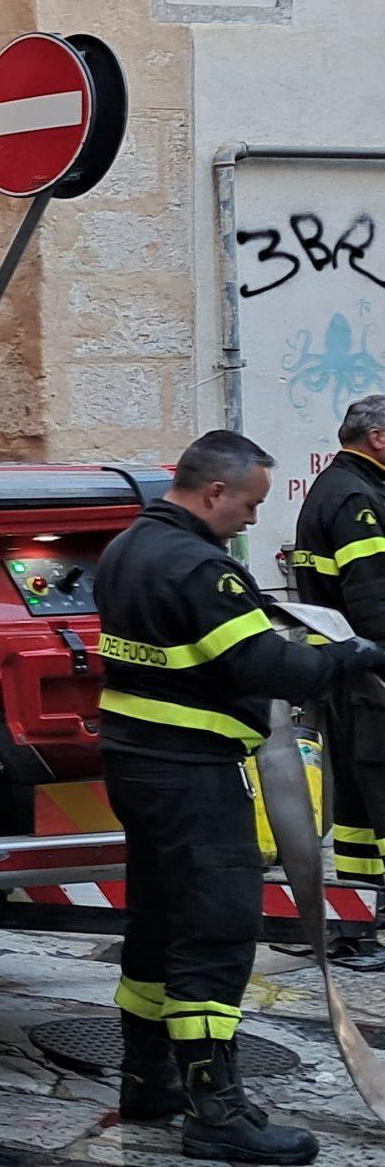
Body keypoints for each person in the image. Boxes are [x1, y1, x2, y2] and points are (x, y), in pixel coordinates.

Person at [95, 429, 385, 1163]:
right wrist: (343, 658)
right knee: (216, 935)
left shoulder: (128, 547)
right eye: (250, 503)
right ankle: (216, 1112)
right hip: (191, 770)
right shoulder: (199, 565)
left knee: (157, 924)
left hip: (138, 763)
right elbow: (259, 663)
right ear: (214, 491)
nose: (254, 518)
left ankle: (147, 1078)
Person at [291, 396, 385, 960]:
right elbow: (375, 597)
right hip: (371, 675)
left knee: (355, 807)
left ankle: (354, 924)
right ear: (378, 437)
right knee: (374, 797)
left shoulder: (342, 487)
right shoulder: (356, 496)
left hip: (349, 674)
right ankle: (356, 924)